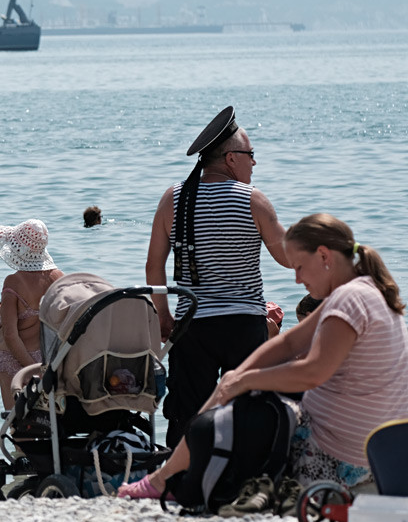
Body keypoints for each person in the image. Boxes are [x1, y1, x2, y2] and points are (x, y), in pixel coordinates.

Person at [121, 213, 408, 498]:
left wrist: (246, 382)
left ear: (324, 256)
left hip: (332, 455)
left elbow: (313, 372)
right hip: (370, 451)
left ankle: (167, 480)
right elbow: (288, 344)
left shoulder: (348, 300)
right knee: (236, 385)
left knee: (246, 407)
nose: (297, 280)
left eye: (299, 267)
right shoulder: (366, 291)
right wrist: (238, 375)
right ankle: (167, 477)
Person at [145, 106, 290, 446]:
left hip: (193, 325)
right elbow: (286, 258)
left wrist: (163, 314)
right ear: (230, 159)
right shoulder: (253, 200)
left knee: (188, 412)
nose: (254, 162)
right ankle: (246, 475)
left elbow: (154, 267)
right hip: (244, 324)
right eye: (250, 155)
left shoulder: (173, 198)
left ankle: (181, 477)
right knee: (250, 406)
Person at [0, 220, 64, 410]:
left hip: (15, 359)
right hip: (46, 358)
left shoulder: (14, 282)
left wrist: (30, 368)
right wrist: (43, 370)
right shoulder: (58, 277)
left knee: (16, 421)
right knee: (46, 421)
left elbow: (10, 335)